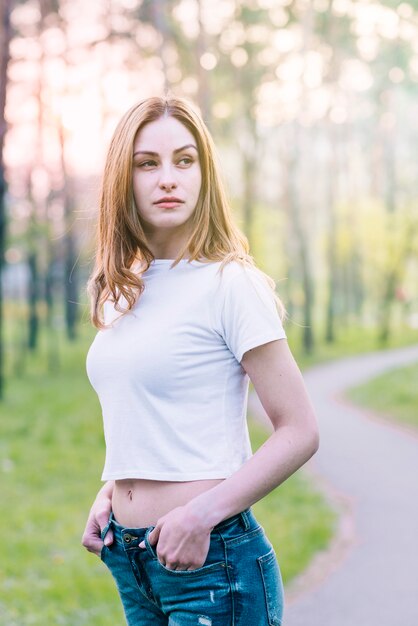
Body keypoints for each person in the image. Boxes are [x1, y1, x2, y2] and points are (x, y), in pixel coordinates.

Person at [83, 95, 319, 626]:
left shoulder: (230, 284)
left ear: (204, 174)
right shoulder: (125, 292)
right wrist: (114, 492)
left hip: (212, 563)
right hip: (134, 560)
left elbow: (299, 430)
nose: (168, 178)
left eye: (184, 161)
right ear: (124, 179)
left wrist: (201, 515)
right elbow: (159, 417)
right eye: (148, 163)